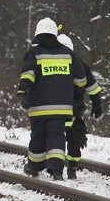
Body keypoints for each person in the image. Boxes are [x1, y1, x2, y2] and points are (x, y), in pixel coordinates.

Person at [17, 17, 87, 181]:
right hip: (62, 107)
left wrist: (23, 92)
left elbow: (28, 75)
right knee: (57, 135)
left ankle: (34, 167)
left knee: (38, 136)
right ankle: (56, 170)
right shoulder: (68, 53)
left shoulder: (34, 53)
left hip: (39, 106)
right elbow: (81, 78)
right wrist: (77, 94)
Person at [57, 33, 104, 179]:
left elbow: (91, 86)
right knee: (74, 139)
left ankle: (58, 169)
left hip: (56, 111)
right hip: (72, 110)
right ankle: (70, 169)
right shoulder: (80, 64)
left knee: (56, 138)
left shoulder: (48, 61)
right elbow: (92, 87)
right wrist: (97, 103)